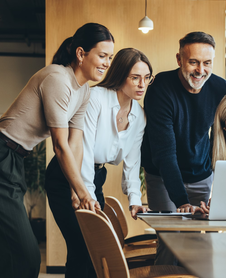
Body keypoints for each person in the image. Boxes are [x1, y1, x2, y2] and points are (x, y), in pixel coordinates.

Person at [0, 23, 114, 277]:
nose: (106, 63)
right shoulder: (57, 78)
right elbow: (59, 145)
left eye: (110, 58)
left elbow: (74, 143)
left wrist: (76, 190)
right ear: (81, 54)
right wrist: (84, 192)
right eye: (102, 56)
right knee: (24, 255)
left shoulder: (84, 92)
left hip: (13, 160)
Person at [46, 48, 151, 278]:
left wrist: (135, 200)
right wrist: (85, 195)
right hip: (67, 175)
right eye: (135, 77)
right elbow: (84, 148)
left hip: (96, 176)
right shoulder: (96, 98)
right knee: (81, 246)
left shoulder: (139, 116)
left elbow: (133, 161)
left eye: (146, 78)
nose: (142, 84)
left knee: (94, 247)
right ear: (121, 74)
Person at [140, 31, 226, 265]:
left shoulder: (221, 89)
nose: (200, 70)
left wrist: (220, 187)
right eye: (193, 62)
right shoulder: (160, 88)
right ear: (179, 59)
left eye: (207, 63)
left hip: (200, 174)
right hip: (162, 175)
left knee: (195, 243)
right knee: (171, 242)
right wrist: (181, 200)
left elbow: (223, 141)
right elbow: (164, 153)